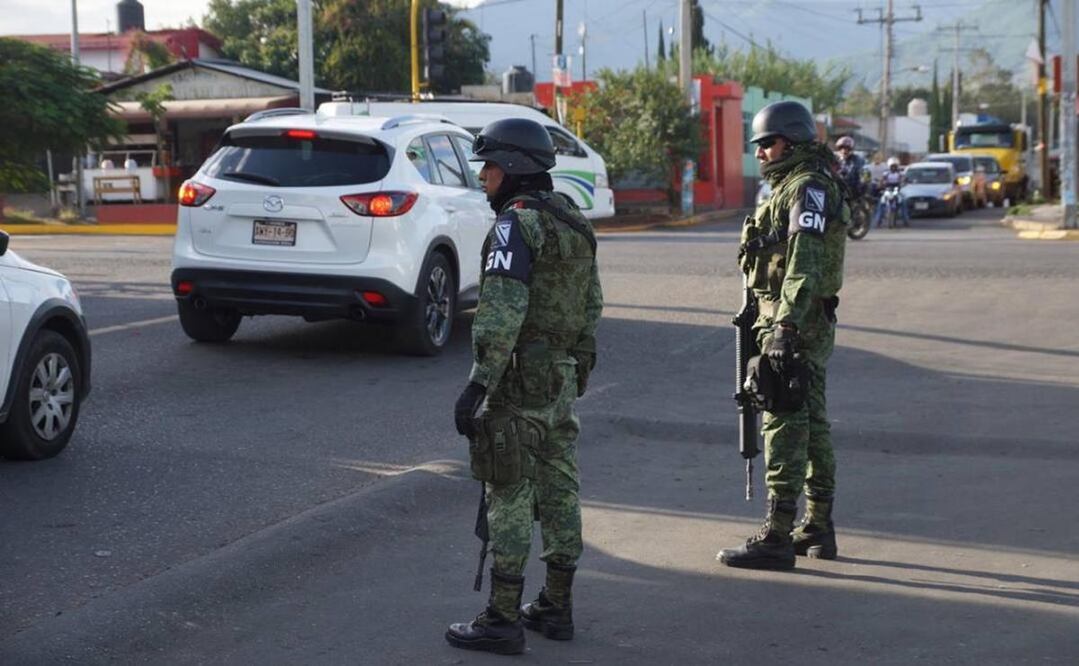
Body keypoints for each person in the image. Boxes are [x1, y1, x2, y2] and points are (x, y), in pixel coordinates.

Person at [447, 118, 603, 655]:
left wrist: (478, 384)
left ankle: (502, 617)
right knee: (560, 488)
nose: (484, 177)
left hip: (518, 382)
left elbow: (501, 312)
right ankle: (557, 606)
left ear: (513, 167)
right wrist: (578, 366)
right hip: (560, 379)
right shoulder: (575, 222)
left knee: (509, 490)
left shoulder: (517, 226)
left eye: (488, 166)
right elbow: (592, 309)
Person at [719, 100, 847, 571]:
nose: (761, 153)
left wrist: (785, 326)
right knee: (811, 421)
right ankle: (817, 527)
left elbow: (804, 260)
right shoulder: (792, 185)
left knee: (784, 422)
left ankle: (776, 533)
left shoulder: (808, 187)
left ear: (790, 141)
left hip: (794, 325)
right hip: (786, 319)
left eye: (767, 143)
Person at [874, 157, 910, 227]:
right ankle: (878, 221)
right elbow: (882, 180)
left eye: (895, 166)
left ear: (897, 166)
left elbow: (904, 179)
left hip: (896, 190)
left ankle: (906, 221)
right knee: (881, 203)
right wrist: (880, 184)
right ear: (889, 166)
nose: (893, 168)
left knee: (903, 202)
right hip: (888, 190)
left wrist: (904, 182)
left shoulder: (900, 173)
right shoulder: (886, 173)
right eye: (892, 166)